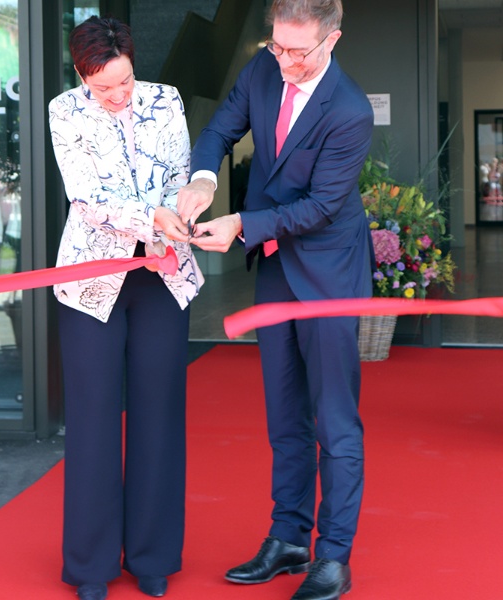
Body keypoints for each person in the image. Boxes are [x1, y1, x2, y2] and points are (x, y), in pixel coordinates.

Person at [177, 1, 374, 599]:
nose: (285, 62)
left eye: (300, 51)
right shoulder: (265, 68)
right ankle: (288, 537)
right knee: (285, 414)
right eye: (277, 47)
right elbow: (217, 129)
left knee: (334, 421)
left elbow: (318, 207)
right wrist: (203, 180)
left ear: (332, 39)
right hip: (275, 266)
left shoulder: (350, 110)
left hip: (329, 274)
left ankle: (333, 556)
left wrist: (240, 223)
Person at [48, 16, 203, 600]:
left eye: (124, 83)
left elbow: (180, 175)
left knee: (159, 413)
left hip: (162, 274)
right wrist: (150, 218)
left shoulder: (166, 101)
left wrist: (179, 215)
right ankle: (90, 565)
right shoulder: (66, 111)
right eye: (103, 87)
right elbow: (87, 197)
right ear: (82, 76)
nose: (116, 97)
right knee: (91, 421)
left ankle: (153, 555)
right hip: (93, 280)